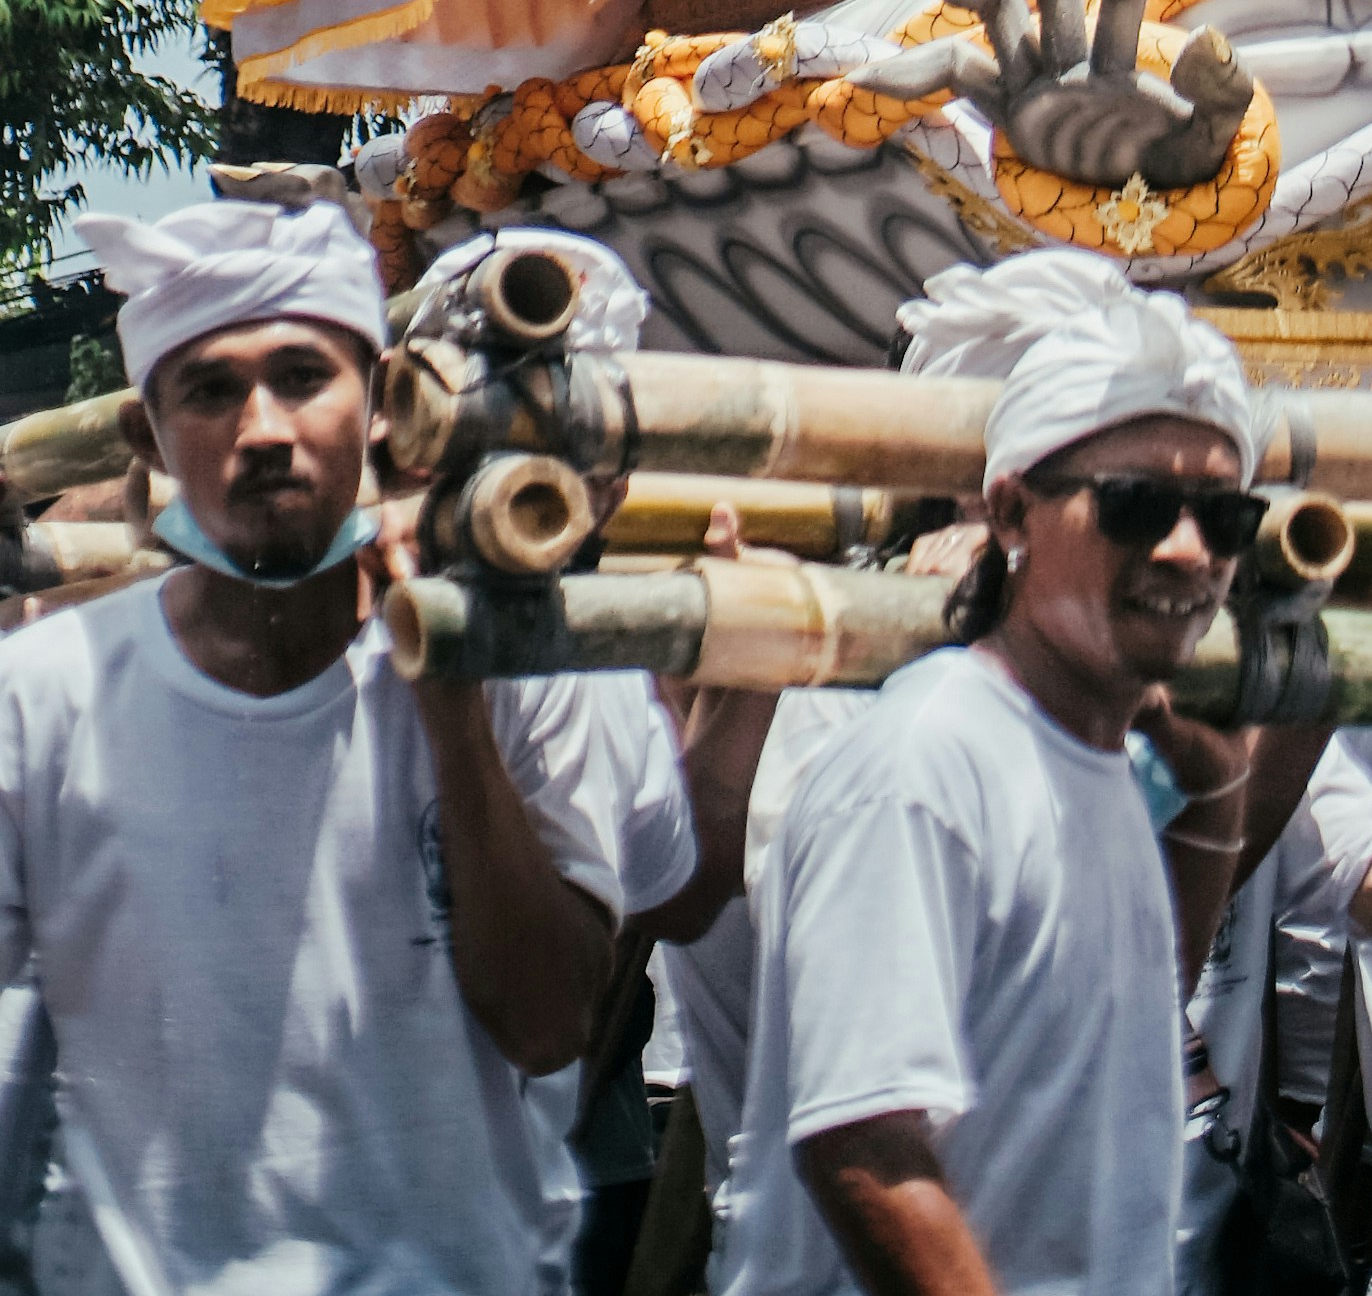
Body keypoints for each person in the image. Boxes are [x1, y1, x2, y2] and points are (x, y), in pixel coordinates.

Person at [0, 192, 697, 1296]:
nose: (265, 429)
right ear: (150, 434)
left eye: (302, 377)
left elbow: (550, 1022)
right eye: (212, 390)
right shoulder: (42, 700)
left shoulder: (532, 668)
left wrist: (450, 713)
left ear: (378, 404)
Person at [724, 249, 1263, 1296]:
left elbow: (1134, 1041)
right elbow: (865, 1146)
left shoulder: (1098, 752)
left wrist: (1217, 785)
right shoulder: (925, 762)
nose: (1191, 551)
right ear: (1010, 514)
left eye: (1226, 517)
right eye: (1135, 507)